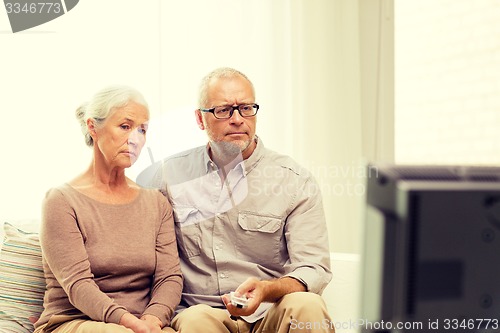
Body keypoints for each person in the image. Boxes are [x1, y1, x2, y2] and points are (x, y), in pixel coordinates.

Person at [137, 67, 334, 333]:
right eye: (224, 110)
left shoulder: (295, 180)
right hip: (202, 312)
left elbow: (313, 267)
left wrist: (267, 290)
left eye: (246, 108)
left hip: (269, 310)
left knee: (307, 305)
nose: (238, 119)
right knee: (195, 321)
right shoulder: (166, 176)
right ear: (200, 118)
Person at [34, 86, 183, 333]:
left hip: (143, 325)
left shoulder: (156, 202)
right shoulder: (61, 201)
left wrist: (153, 320)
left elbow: (169, 277)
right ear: (93, 127)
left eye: (142, 130)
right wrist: (132, 325)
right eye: (125, 126)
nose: (135, 138)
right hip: (74, 322)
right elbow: (79, 284)